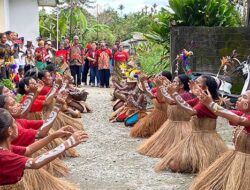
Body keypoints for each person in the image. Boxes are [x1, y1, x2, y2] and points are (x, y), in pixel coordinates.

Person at [154, 75, 228, 173]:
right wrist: (168, 90)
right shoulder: (199, 100)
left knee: (176, 165)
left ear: (205, 88)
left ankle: (201, 163)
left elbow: (191, 111)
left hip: (207, 140)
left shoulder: (207, 103)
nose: (194, 84)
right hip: (195, 137)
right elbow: (176, 103)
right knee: (173, 165)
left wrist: (174, 93)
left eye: (197, 83)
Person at [0, 108, 88, 189]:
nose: (17, 125)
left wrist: (54, 135)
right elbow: (35, 163)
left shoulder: (5, 148)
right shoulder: (4, 156)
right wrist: (68, 143)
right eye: (14, 123)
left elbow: (28, 150)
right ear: (9, 130)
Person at [189, 90, 250, 190]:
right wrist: (209, 104)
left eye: (244, 97)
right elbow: (223, 112)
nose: (239, 98)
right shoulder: (241, 114)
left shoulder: (243, 118)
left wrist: (210, 103)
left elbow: (238, 120)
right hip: (237, 159)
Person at [138, 74, 194, 157]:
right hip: (171, 124)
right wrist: (144, 82)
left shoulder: (186, 95)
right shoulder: (172, 93)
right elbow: (161, 98)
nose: (172, 83)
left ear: (181, 85)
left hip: (182, 125)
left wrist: (161, 86)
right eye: (173, 81)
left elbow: (171, 101)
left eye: (175, 82)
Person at [130, 71, 172, 138]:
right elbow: (147, 91)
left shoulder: (169, 90)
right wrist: (143, 81)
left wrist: (159, 85)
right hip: (156, 113)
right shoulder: (156, 88)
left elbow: (160, 99)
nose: (156, 76)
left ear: (164, 78)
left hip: (165, 116)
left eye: (159, 75)